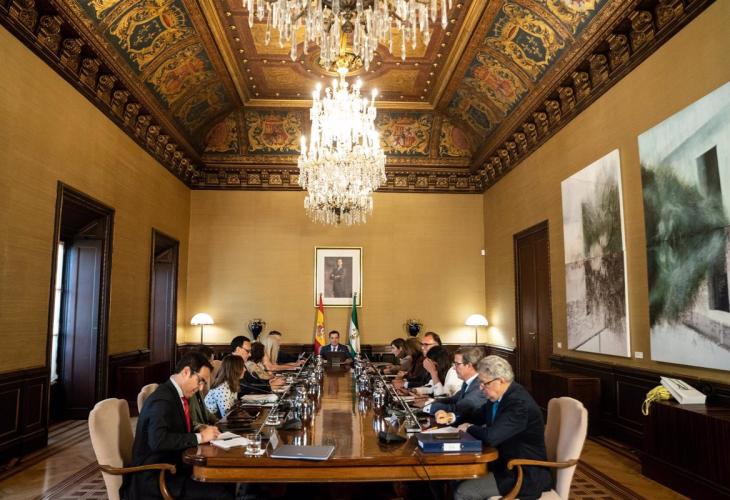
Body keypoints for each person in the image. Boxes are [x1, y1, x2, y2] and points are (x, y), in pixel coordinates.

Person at [122, 352, 233, 499]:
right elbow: (158, 440)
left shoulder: (175, 394)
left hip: (175, 468)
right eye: (200, 381)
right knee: (223, 492)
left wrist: (198, 428)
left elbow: (175, 427)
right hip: (158, 477)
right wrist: (200, 437)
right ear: (186, 372)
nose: (201, 388)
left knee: (228, 481)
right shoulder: (162, 400)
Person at [452, 356, 553, 500]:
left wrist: (469, 428)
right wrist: (451, 419)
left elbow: (491, 437)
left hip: (521, 472)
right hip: (501, 464)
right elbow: (476, 416)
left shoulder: (519, 404)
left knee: (463, 492)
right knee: (454, 477)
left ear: (500, 381)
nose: (481, 388)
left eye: (484, 383)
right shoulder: (498, 396)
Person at [430, 346, 488, 419]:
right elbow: (453, 399)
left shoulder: (479, 387)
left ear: (469, 365)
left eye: (457, 364)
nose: (454, 368)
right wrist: (431, 401)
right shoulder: (468, 382)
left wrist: (430, 407)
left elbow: (457, 409)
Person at [189, 348, 217, 429]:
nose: (212, 365)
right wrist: (205, 429)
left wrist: (218, 422)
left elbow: (205, 411)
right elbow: (191, 422)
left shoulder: (200, 384)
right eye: (211, 361)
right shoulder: (189, 390)